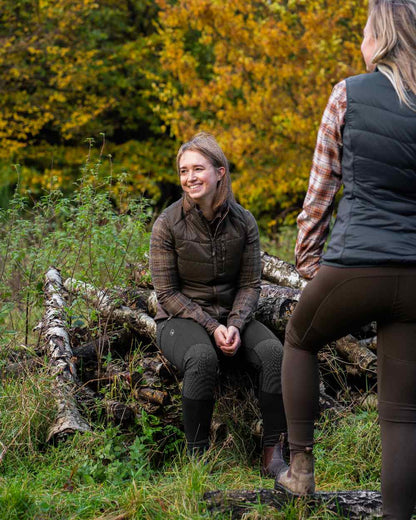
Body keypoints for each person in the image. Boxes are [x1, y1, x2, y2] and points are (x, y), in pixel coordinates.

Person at [275, 1, 416, 518]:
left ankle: (301, 470)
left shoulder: (348, 94)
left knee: (298, 336)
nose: (359, 42)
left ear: (378, 39)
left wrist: (309, 263)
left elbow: (319, 194)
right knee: (402, 415)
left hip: (358, 261)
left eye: (362, 32)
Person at [149, 132, 287, 476]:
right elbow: (167, 294)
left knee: (274, 353)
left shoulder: (244, 222)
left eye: (198, 168)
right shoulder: (167, 224)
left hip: (230, 316)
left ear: (219, 172)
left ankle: (274, 454)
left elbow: (249, 285)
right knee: (201, 357)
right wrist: (213, 328)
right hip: (178, 320)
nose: (189, 178)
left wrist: (236, 325)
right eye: (183, 171)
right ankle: (199, 461)